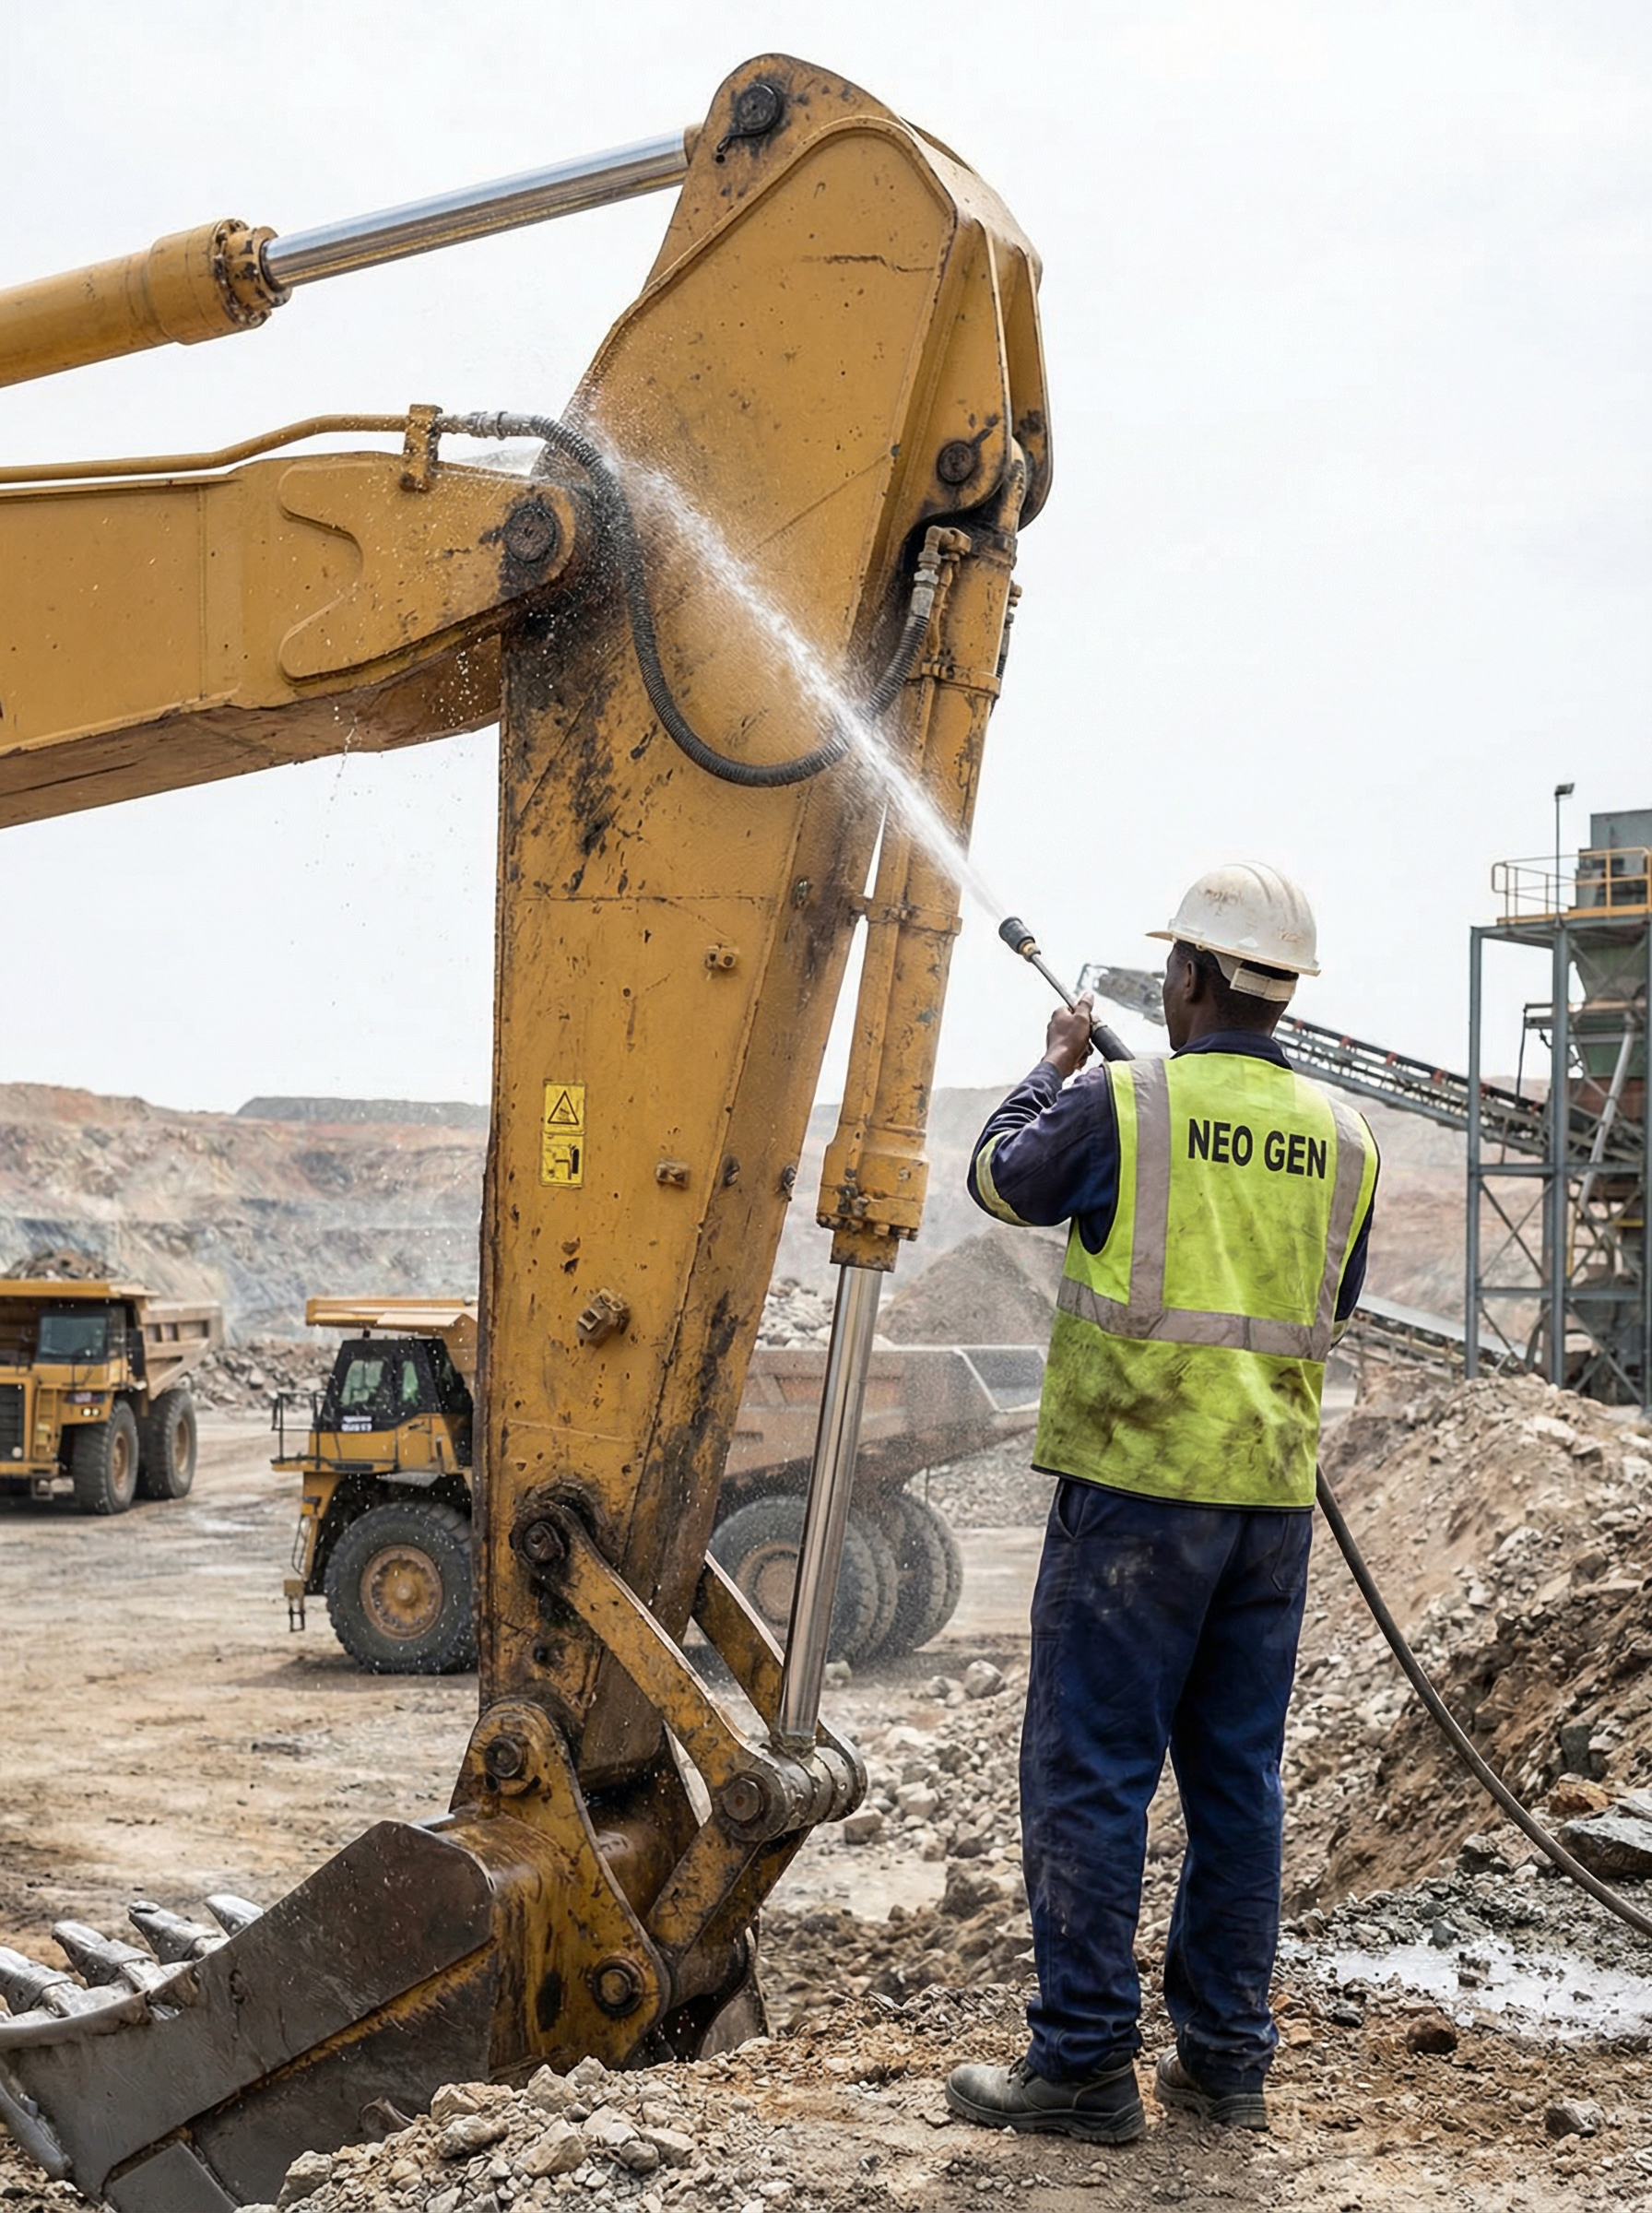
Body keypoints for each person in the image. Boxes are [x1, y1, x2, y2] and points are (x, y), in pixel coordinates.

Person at [944, 864, 1378, 2144]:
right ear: (1283, 990)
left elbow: (1001, 1184)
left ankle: (1082, 2065)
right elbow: (1326, 1299)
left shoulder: (1123, 1104)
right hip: (1266, 1509)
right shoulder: (1346, 1139)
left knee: (1092, 1778)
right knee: (1235, 1785)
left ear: (1188, 978)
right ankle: (1225, 2061)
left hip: (1136, 1501)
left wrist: (1057, 1070)